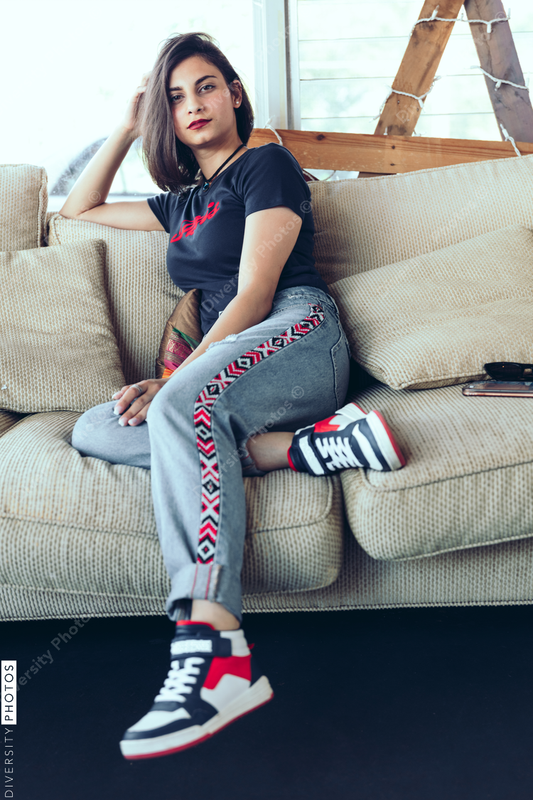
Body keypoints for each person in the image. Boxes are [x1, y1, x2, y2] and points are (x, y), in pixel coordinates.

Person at [62, 32, 405, 760]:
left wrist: (176, 380)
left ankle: (214, 648)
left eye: (206, 85)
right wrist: (127, 125)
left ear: (235, 93)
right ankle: (308, 448)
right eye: (175, 95)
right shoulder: (180, 203)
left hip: (295, 334)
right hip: (232, 371)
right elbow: (77, 211)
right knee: (94, 428)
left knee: (176, 410)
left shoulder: (265, 166)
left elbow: (254, 290)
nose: (192, 103)